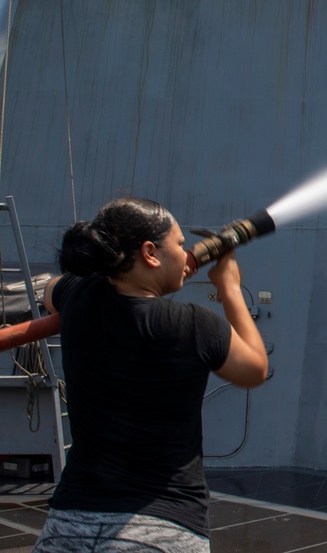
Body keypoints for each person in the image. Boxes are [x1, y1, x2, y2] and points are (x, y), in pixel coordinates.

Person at [32, 197, 269, 552]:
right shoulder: (193, 325)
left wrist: (108, 275)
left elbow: (52, 291)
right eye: (179, 244)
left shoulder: (78, 296)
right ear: (149, 253)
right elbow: (254, 369)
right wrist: (229, 286)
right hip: (162, 527)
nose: (186, 253)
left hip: (68, 525)